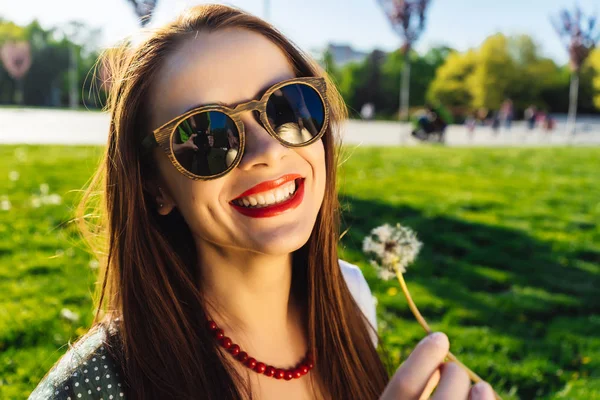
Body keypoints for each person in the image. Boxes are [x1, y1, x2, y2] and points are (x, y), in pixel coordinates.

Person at [30, 5, 494, 400]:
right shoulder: (94, 385)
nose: (268, 152)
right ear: (155, 185)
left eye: (290, 107)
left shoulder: (352, 295)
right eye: (206, 134)